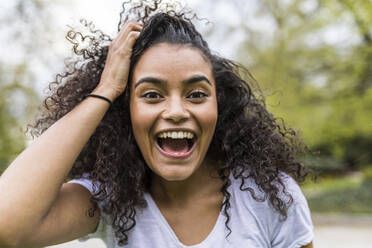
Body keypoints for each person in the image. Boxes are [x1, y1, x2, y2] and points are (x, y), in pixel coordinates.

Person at [0, 1, 314, 247]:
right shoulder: (113, 198)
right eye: (151, 94)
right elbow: (6, 224)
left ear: (221, 107)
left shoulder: (271, 196)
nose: (176, 110)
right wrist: (105, 90)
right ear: (127, 113)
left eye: (196, 94)